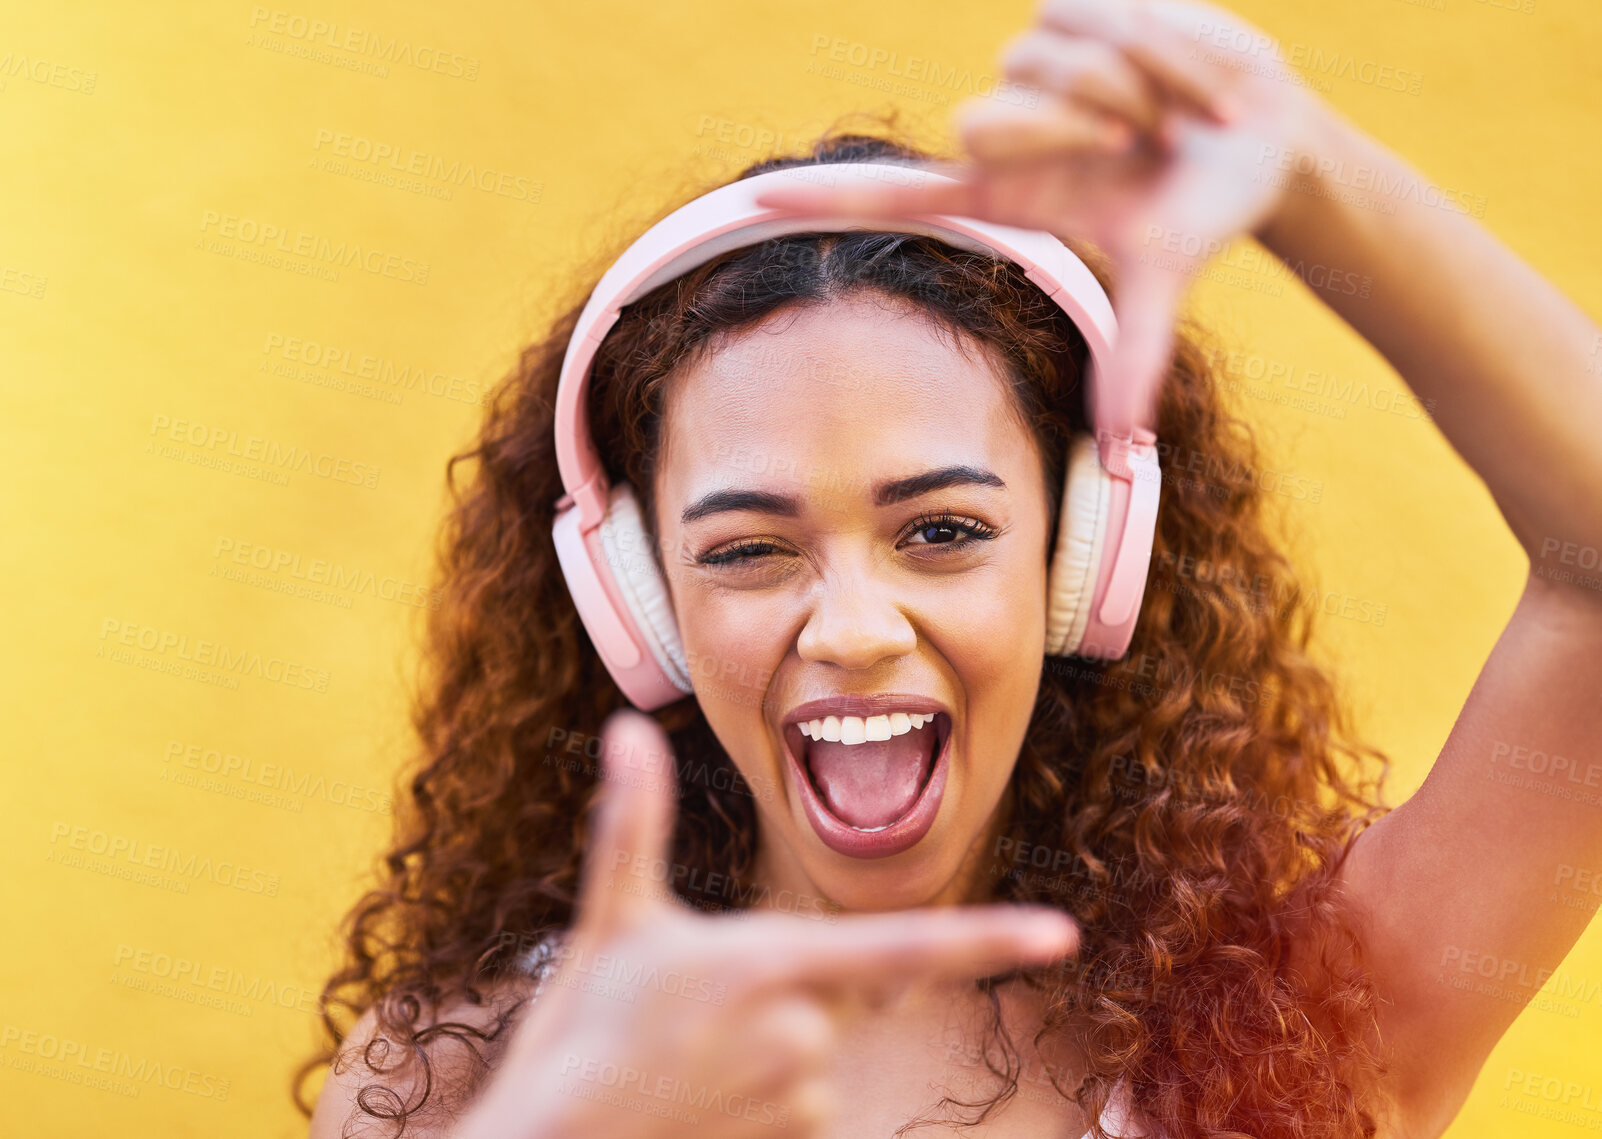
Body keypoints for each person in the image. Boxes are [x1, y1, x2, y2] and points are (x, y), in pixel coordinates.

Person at [299, 2, 1602, 1136]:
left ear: (1081, 561)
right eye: (748, 551)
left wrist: (1307, 168)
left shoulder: (1301, 1026)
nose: (855, 627)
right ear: (639, 608)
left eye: (941, 531)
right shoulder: (453, 1079)